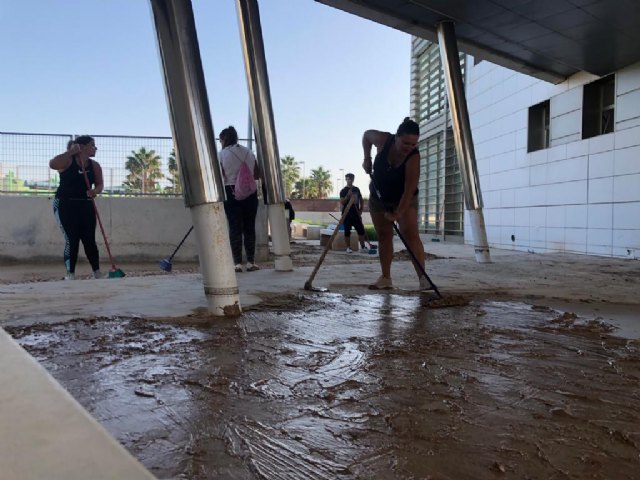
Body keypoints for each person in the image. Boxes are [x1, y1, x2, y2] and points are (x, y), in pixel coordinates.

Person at [362, 117, 428, 290]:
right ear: (397, 137)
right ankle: (385, 278)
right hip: (379, 195)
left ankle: (423, 279)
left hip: (403, 198)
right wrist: (367, 158)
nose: (409, 148)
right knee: (384, 235)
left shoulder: (413, 158)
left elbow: (409, 190)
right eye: (406, 143)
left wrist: (397, 213)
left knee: (410, 234)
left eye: (413, 144)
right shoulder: (383, 139)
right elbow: (366, 136)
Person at [49, 135, 103, 280]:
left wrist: (94, 191)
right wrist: (70, 152)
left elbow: (99, 185)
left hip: (86, 204)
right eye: (92, 145)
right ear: (83, 147)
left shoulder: (94, 166)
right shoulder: (68, 161)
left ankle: (97, 271)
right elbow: (53, 164)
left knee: (89, 239)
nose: (95, 148)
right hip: (65, 204)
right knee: (72, 239)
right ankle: (70, 273)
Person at [219, 126, 261, 272]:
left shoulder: (222, 154)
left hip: (231, 192)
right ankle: (251, 262)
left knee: (234, 227)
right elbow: (256, 174)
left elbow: (221, 175)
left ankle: (237, 263)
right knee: (249, 227)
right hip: (250, 193)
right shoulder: (248, 152)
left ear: (224, 139)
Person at [339, 173, 367, 253]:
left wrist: (361, 209)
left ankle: (363, 247)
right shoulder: (343, 191)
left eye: (351, 179)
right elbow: (342, 202)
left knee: (361, 230)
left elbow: (361, 200)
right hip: (346, 214)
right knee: (347, 231)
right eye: (348, 179)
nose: (349, 180)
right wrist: (347, 196)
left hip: (356, 213)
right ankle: (348, 247)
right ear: (346, 180)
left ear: (353, 179)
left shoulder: (356, 189)